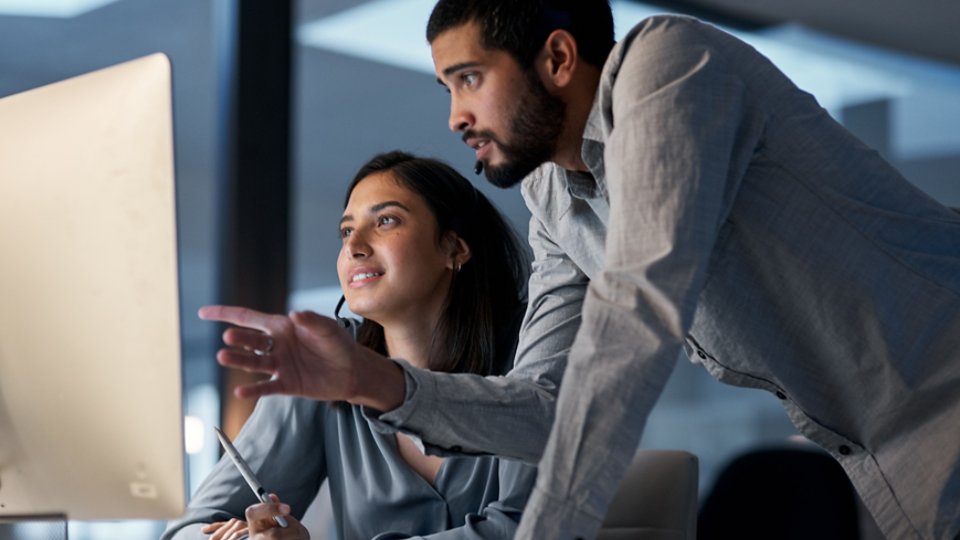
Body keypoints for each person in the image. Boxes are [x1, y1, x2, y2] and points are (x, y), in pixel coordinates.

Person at [211, 2, 960, 540]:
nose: (454, 118)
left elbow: (637, 318)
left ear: (559, 60)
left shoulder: (669, 66)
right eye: (447, 89)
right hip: (881, 455)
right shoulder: (554, 198)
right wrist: (365, 381)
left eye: (469, 79)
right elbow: (544, 408)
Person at [160, 151, 535, 540]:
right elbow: (186, 531)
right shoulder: (321, 362)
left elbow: (525, 529)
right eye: (345, 230)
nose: (354, 245)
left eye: (386, 221)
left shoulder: (534, 350)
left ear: (455, 248)